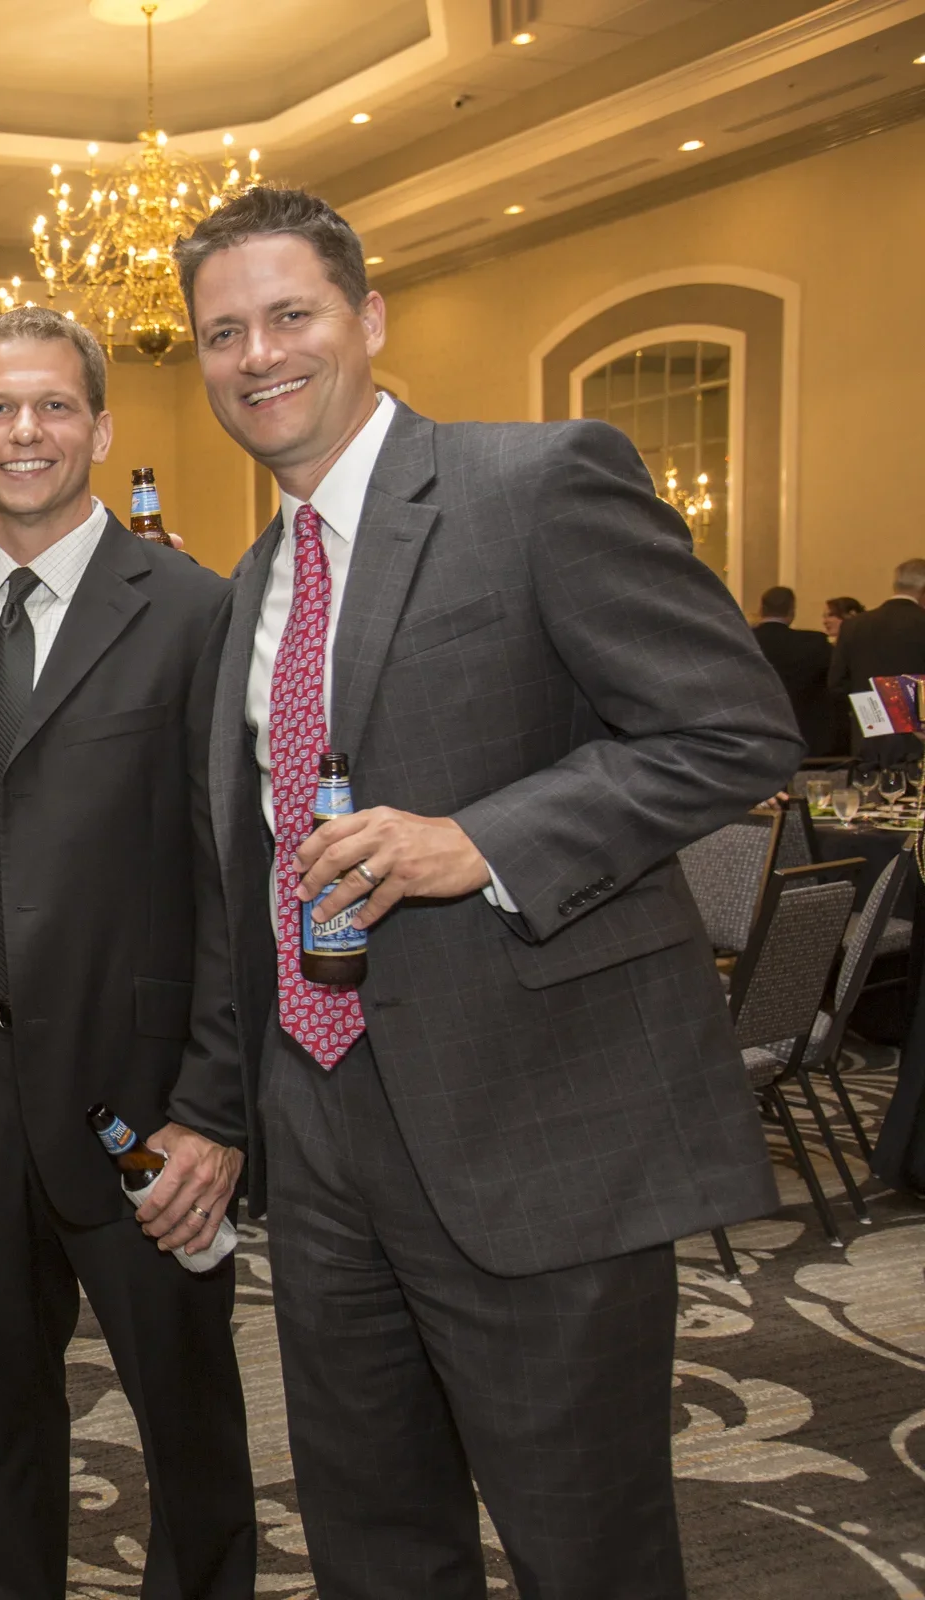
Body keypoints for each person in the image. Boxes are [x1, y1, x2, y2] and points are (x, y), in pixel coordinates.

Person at [178, 187, 795, 1600]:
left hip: (537, 1126)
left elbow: (733, 733)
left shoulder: (537, 481)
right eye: (224, 333)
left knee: (586, 1549)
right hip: (322, 1130)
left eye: (291, 315)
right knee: (373, 1540)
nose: (258, 355)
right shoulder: (253, 584)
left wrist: (487, 842)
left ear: (368, 319)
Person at [0, 304, 256, 1599]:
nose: (25, 431)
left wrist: (214, 1105)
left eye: (53, 406)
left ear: (100, 426)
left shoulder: (193, 610)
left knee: (182, 1403)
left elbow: (235, 882)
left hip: (132, 1091)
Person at [828, 561, 925, 762]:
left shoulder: (854, 626)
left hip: (868, 740)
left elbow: (837, 684)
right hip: (919, 744)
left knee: (869, 791)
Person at [752, 585, 841, 755]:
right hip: (804, 734)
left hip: (754, 734)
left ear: (761, 609)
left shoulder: (744, 641)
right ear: (792, 611)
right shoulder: (815, 644)